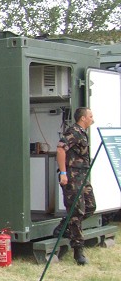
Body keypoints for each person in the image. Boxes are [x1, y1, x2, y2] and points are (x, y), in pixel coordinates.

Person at [56, 107, 96, 265]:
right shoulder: (73, 131)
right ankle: (78, 251)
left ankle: (64, 226)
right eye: (91, 116)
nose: (93, 118)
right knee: (77, 212)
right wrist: (63, 173)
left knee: (90, 207)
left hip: (83, 176)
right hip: (73, 177)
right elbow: (60, 149)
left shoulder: (82, 132)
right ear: (83, 118)